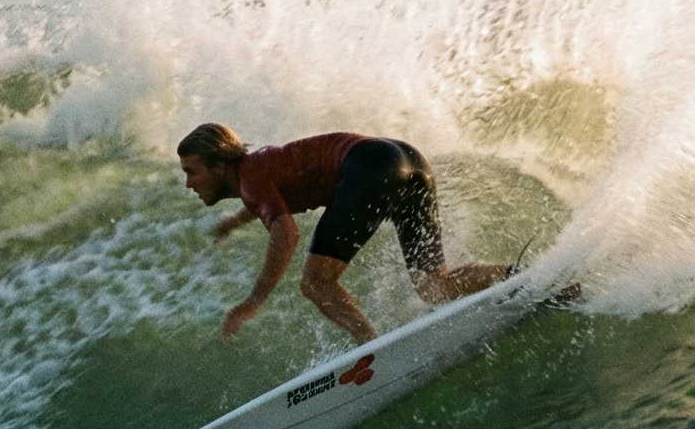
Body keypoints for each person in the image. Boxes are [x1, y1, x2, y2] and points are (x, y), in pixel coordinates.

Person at [177, 122, 510, 343]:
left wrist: (253, 302)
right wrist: (234, 223)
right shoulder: (258, 172)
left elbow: (286, 235)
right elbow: (265, 201)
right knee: (434, 285)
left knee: (315, 281)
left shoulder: (252, 180)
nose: (189, 183)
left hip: (369, 165)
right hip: (405, 159)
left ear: (220, 166)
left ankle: (372, 347)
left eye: (192, 171)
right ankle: (519, 278)